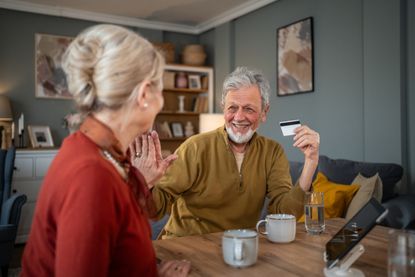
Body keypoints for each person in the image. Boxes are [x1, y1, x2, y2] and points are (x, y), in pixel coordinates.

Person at [21, 24, 190, 276]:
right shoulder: (92, 176)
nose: (161, 100)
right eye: (160, 89)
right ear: (144, 94)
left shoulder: (96, 151)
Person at [131, 66, 320, 238]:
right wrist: (146, 183)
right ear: (223, 109)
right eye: (232, 108)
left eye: (248, 109)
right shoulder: (195, 147)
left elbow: (284, 214)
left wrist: (310, 162)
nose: (239, 117)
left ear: (264, 112)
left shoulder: (272, 152)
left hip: (239, 247)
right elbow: (155, 211)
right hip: (186, 247)